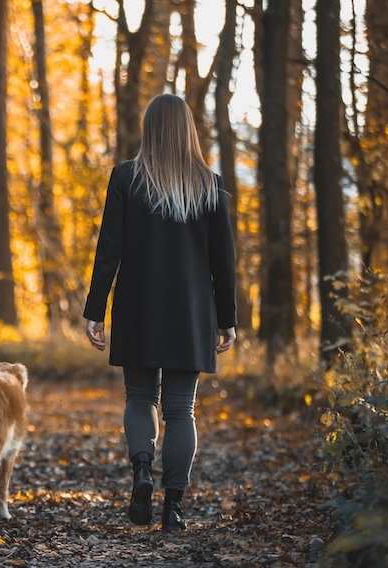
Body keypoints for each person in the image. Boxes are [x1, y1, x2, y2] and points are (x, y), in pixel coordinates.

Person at [83, 94, 237, 532]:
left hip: (137, 306)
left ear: (149, 129)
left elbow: (108, 249)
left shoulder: (126, 179)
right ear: (188, 130)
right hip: (190, 313)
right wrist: (227, 319)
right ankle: (173, 508)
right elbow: (222, 262)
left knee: (139, 398)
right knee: (180, 410)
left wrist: (95, 310)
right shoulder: (209, 184)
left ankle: (142, 473)